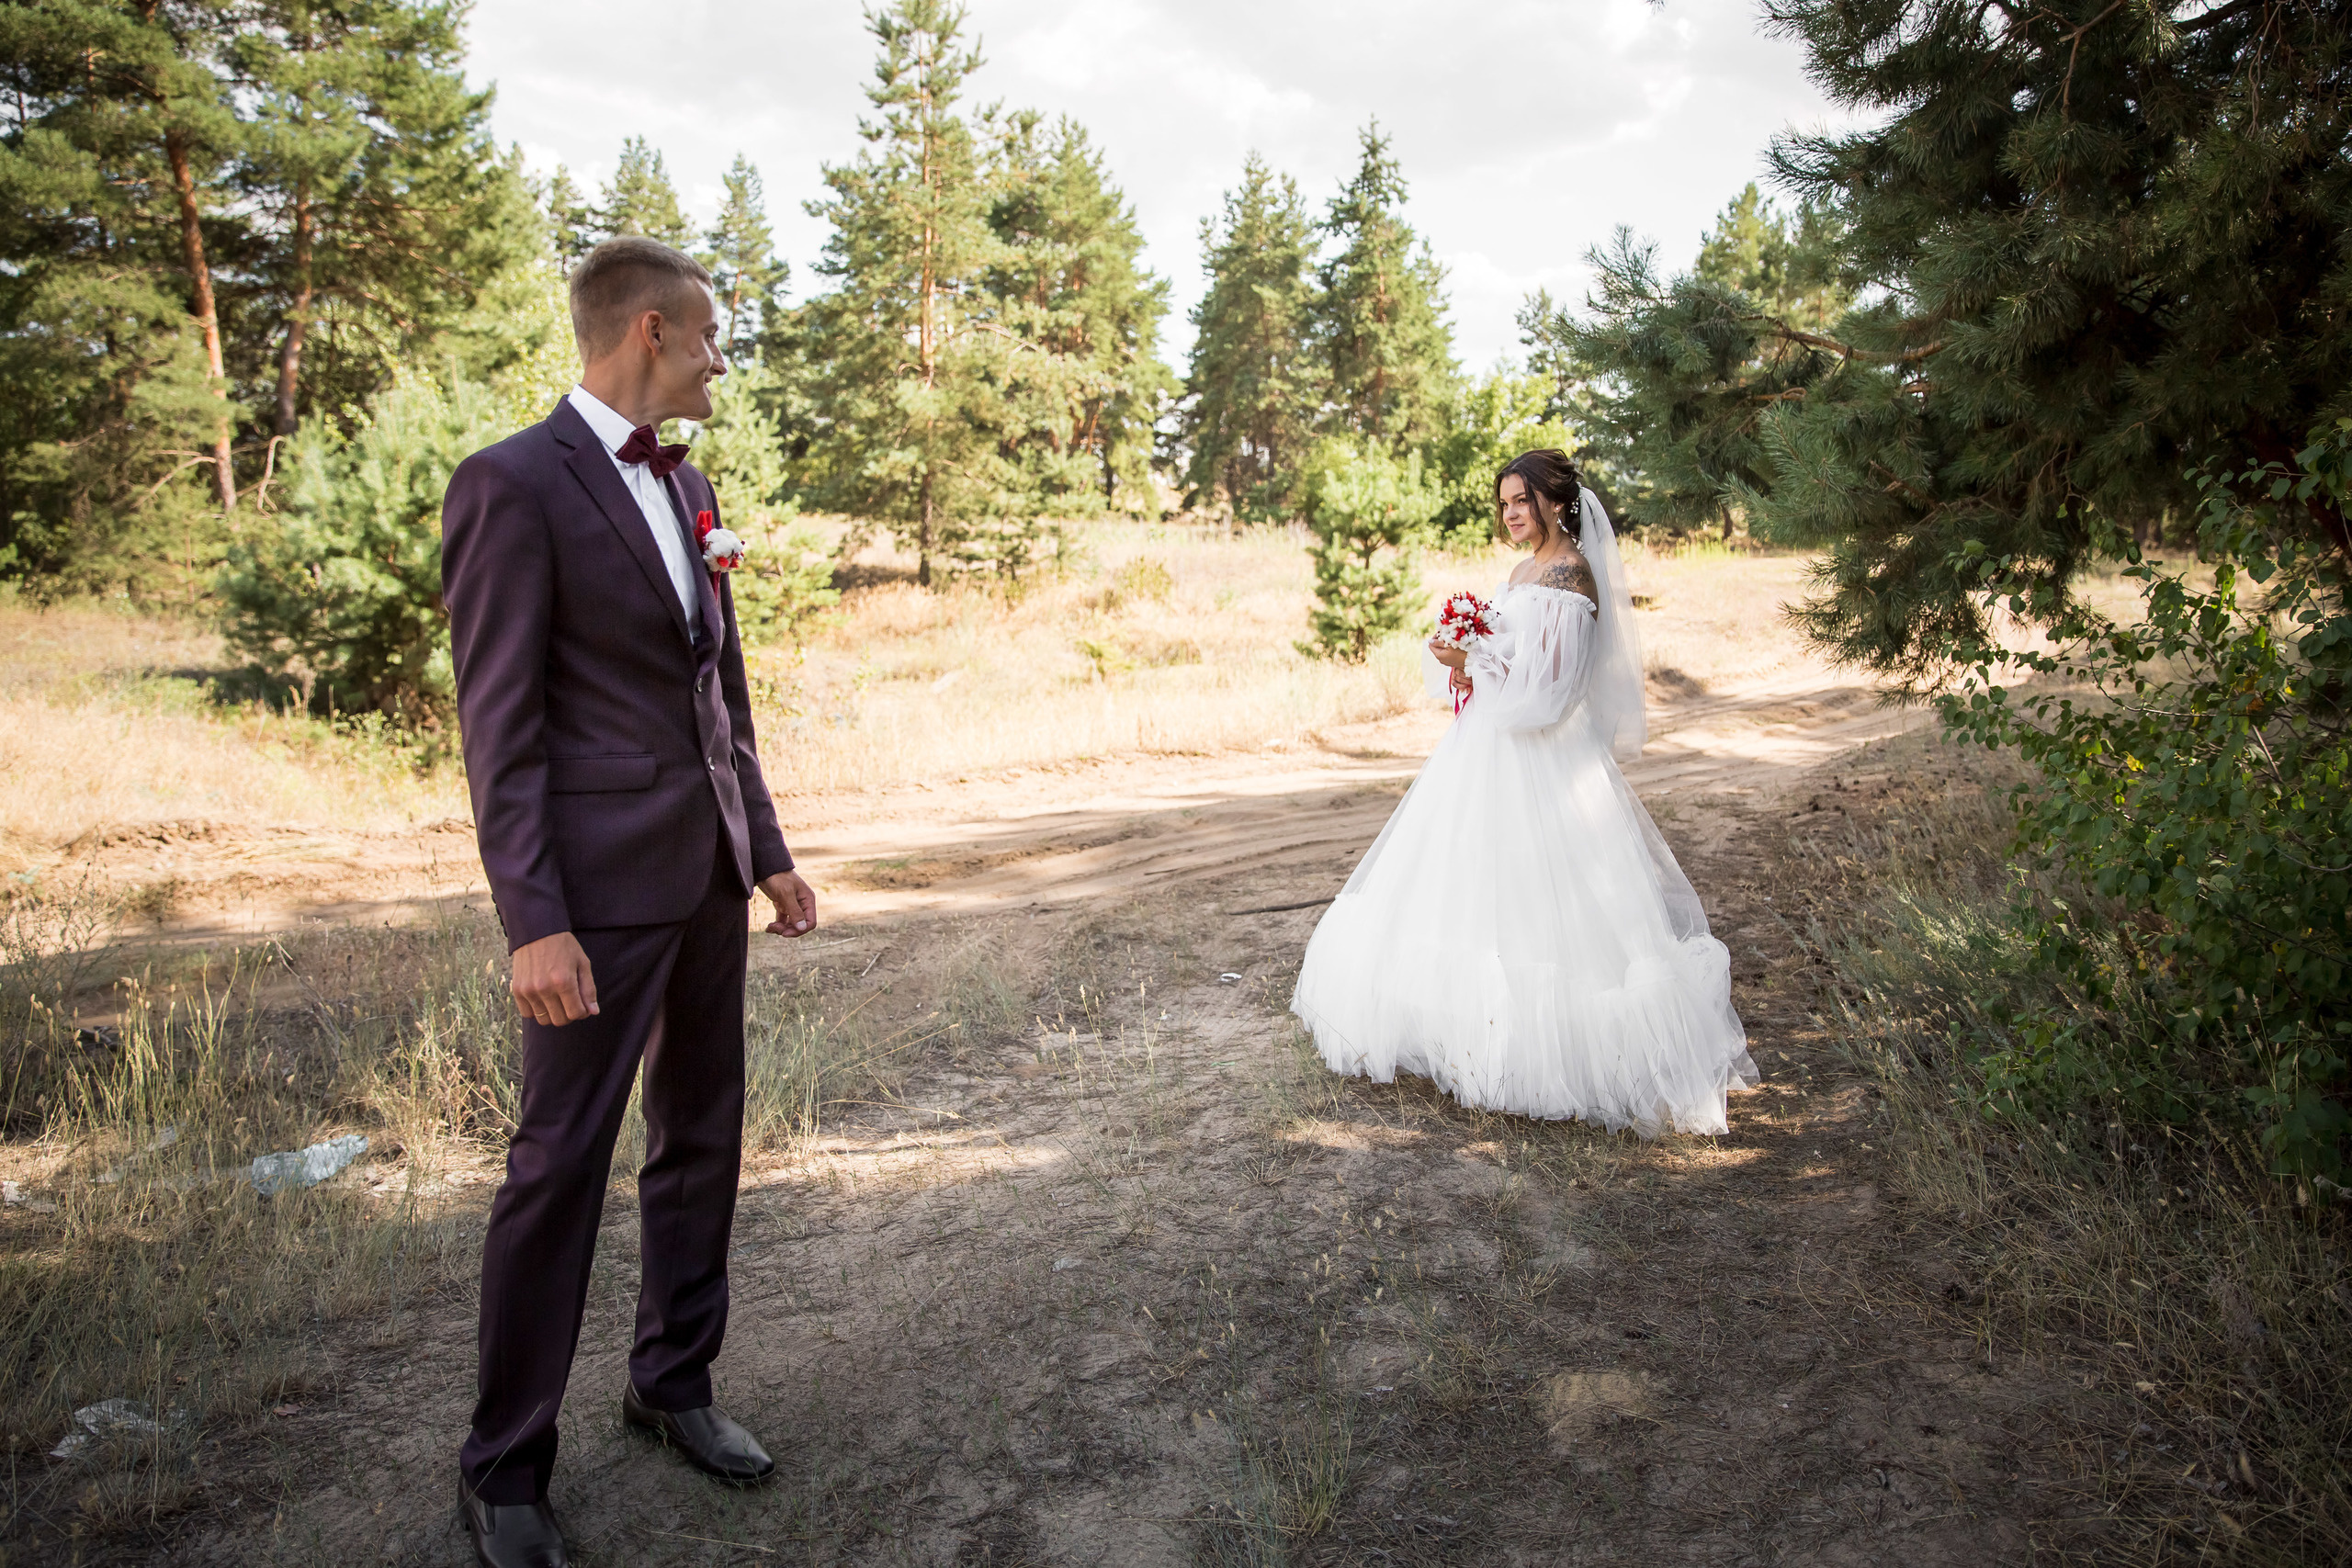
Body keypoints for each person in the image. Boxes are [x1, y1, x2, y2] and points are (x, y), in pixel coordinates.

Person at [440, 236, 820, 1568]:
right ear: (650, 330)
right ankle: (504, 1468)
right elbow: (503, 728)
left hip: (707, 874)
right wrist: (530, 918)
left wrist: (766, 848)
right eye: (713, 337)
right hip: (589, 902)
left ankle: (672, 1380)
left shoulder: (693, 483)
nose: (724, 360)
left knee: (702, 1137)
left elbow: (722, 691)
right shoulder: (510, 484)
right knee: (558, 1168)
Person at [1291, 449, 1756, 1134]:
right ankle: (1470, 1031)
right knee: (1472, 888)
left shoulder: (1572, 573)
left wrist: (1476, 661)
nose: (1511, 514)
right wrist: (1465, 661)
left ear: (1557, 502)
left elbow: (1553, 692)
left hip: (1544, 760)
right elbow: (1512, 665)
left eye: (1522, 501)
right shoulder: (1519, 572)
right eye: (1504, 503)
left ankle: (1554, 1054)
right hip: (1486, 751)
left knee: (1550, 901)